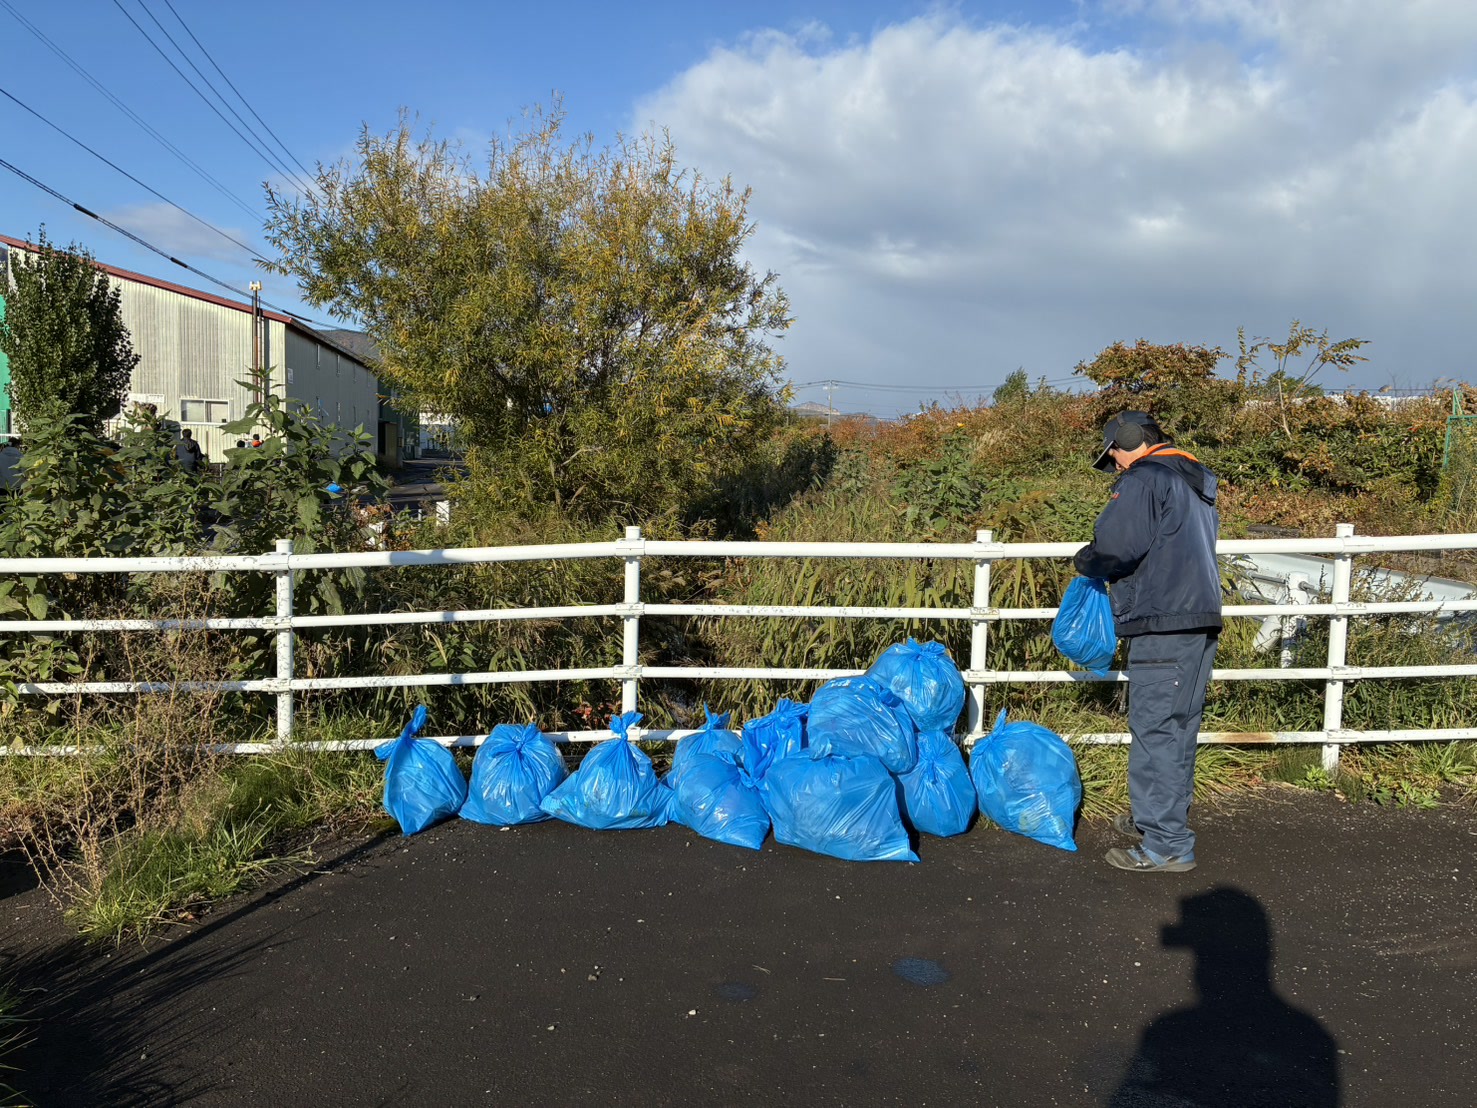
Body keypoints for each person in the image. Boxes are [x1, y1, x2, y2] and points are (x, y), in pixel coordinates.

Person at [1074, 411, 1221, 873]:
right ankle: (1156, 819)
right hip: (1197, 617)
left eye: (1114, 452)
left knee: (1155, 728)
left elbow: (1117, 547)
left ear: (1131, 439)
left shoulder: (1144, 479)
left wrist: (1086, 560)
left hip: (1162, 619)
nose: (1115, 463)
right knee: (1178, 726)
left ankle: (1167, 844)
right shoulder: (1195, 482)